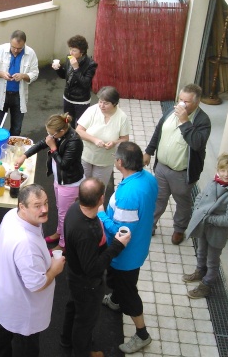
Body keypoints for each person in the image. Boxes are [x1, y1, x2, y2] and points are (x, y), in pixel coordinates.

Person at [0, 184, 65, 357]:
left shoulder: (11, 215)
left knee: (2, 333)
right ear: (22, 207)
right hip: (22, 306)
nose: (45, 209)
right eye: (37, 206)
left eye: (46, 203)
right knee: (27, 347)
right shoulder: (26, 246)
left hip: (4, 292)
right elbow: (36, 284)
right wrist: (54, 269)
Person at [98, 142, 158, 354]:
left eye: (115, 157)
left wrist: (100, 213)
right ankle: (115, 300)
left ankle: (142, 334)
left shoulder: (129, 194)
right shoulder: (148, 179)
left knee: (129, 293)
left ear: (120, 163)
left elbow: (120, 231)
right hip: (139, 247)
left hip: (125, 256)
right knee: (117, 282)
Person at [60, 178, 130, 357]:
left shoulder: (74, 209)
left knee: (74, 307)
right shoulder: (86, 232)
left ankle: (66, 339)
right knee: (85, 321)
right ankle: (82, 352)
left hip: (73, 274)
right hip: (87, 283)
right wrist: (117, 245)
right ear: (101, 198)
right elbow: (92, 268)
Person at [143, 83, 211, 245]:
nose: (181, 104)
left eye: (186, 102)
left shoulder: (202, 121)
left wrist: (184, 121)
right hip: (162, 168)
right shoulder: (170, 112)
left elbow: (197, 144)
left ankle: (179, 229)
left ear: (197, 102)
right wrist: (149, 151)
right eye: (180, 99)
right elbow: (159, 131)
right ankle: (149, 226)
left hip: (182, 173)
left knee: (182, 202)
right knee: (158, 198)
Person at [15, 113, 84, 252]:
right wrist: (24, 155)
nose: (49, 136)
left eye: (51, 134)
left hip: (69, 183)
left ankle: (63, 245)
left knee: (65, 214)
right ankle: (59, 233)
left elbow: (64, 164)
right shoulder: (58, 135)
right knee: (60, 208)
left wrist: (53, 147)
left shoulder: (74, 141)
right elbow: (42, 143)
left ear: (62, 131)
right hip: (60, 180)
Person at [182, 153, 228, 299]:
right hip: (203, 227)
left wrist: (207, 218)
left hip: (216, 233)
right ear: (217, 170)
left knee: (213, 260)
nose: (226, 174)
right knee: (201, 251)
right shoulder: (213, 182)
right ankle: (200, 271)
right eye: (223, 170)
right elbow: (200, 197)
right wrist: (198, 210)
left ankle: (207, 284)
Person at [0, 30, 39, 136]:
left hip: (19, 97)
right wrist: (1, 74)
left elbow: (35, 73)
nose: (15, 50)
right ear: (10, 42)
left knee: (16, 129)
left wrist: (23, 76)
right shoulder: (0, 50)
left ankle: (12, 150)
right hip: (1, 94)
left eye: (19, 48)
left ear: (24, 44)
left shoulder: (31, 53)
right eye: (13, 47)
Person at [76, 86, 130, 187]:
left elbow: (125, 139)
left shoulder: (122, 117)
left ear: (114, 103)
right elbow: (78, 131)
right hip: (85, 156)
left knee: (98, 188)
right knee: (83, 186)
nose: (101, 105)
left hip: (105, 160)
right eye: (100, 101)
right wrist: (94, 140)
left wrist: (114, 143)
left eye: (106, 103)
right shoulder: (92, 110)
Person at [52, 35, 98, 129]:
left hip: (81, 101)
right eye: (70, 49)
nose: (70, 52)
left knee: (80, 125)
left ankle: (79, 142)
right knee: (67, 123)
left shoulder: (90, 64)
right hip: (68, 97)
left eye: (74, 50)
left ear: (82, 51)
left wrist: (76, 68)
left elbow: (85, 84)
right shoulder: (69, 57)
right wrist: (58, 68)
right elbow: (65, 76)